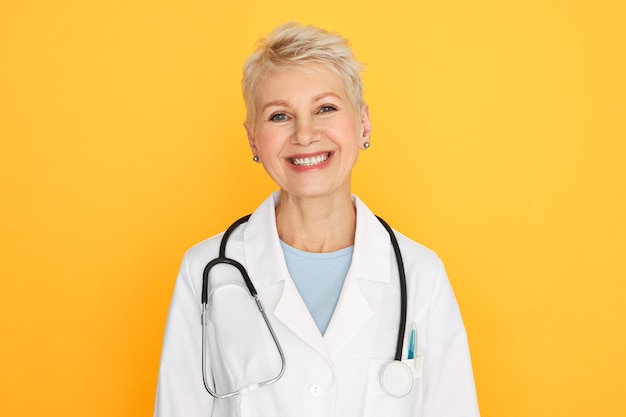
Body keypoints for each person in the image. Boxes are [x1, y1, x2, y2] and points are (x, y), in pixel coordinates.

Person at [154, 22, 480, 417]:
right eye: (279, 116)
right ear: (253, 139)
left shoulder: (420, 275)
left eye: (325, 108)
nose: (305, 134)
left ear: (363, 124)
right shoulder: (206, 271)